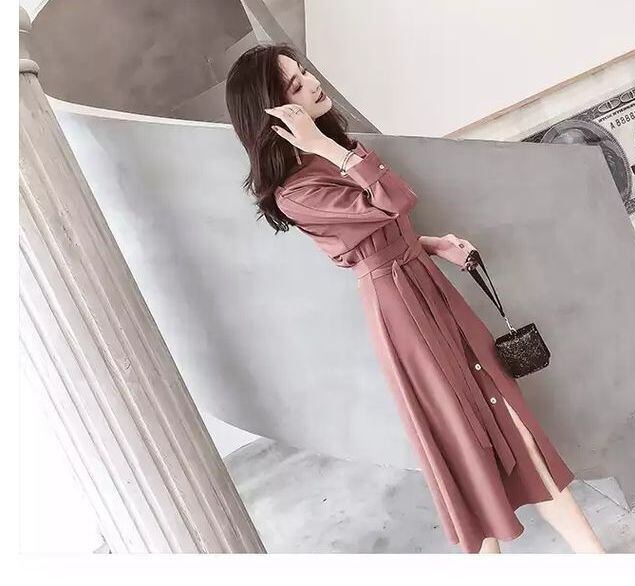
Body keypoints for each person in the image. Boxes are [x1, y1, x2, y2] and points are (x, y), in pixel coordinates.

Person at [225, 43, 605, 554]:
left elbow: (383, 228)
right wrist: (329, 148)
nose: (312, 83)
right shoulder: (298, 192)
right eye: (296, 85)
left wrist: (431, 245)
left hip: (430, 290)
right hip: (402, 315)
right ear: (274, 115)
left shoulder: (335, 154)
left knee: (511, 419)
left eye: (305, 72)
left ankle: (596, 559)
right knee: (462, 440)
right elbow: (393, 203)